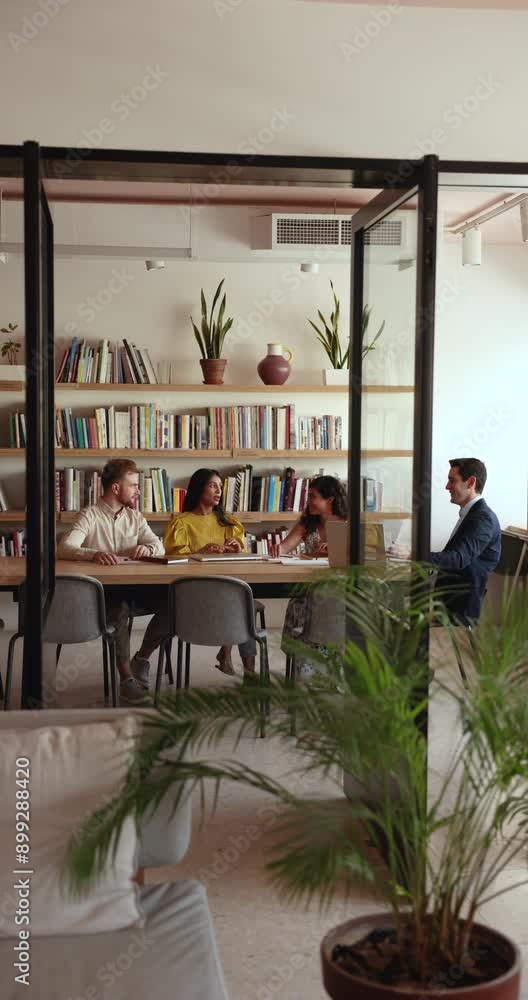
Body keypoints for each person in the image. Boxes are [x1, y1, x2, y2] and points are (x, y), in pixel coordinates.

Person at [57, 459, 168, 704]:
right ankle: (127, 679)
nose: (138, 491)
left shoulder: (135, 517)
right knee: (117, 612)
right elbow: (65, 547)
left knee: (175, 602)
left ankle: (142, 659)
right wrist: (93, 553)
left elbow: (158, 546)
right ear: (116, 488)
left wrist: (145, 549)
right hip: (104, 595)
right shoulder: (89, 515)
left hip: (137, 590)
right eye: (134, 485)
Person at [137, 468, 256, 677]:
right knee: (169, 608)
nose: (218, 491)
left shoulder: (229, 523)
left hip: (226, 588)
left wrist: (236, 549)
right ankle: (141, 659)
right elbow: (173, 558)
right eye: (212, 486)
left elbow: (241, 558)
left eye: (220, 487)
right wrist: (199, 552)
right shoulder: (181, 522)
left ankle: (250, 672)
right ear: (199, 488)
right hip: (192, 592)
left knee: (245, 604)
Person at [271, 476, 348, 677]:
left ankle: (329, 664)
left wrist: (338, 551)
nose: (308, 501)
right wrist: (278, 548)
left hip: (340, 591)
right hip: (310, 588)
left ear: (330, 499)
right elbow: (287, 545)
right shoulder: (308, 522)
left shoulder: (348, 522)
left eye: (313, 496)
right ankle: (306, 666)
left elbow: (361, 557)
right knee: (300, 604)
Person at [430, 457, 501, 624]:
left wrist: (415, 554)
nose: (447, 486)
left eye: (452, 480)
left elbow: (458, 558)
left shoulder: (483, 519)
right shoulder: (472, 514)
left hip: (461, 610)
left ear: (470, 482)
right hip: (450, 603)